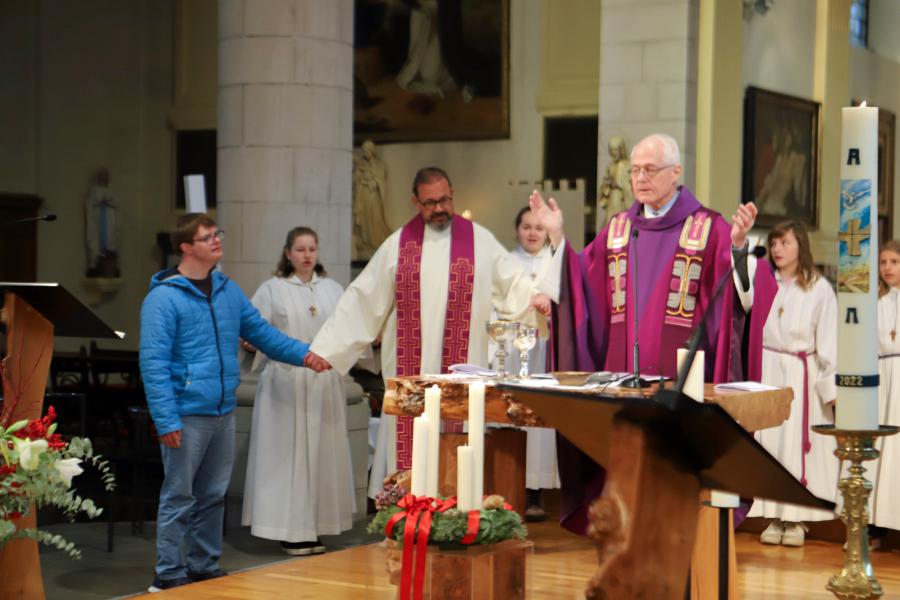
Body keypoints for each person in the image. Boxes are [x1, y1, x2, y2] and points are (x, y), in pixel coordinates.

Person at [529, 133, 776, 534]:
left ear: (676, 173)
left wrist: (737, 248)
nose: (640, 179)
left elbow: (741, 299)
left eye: (650, 170)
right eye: (635, 171)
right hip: (622, 383)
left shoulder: (709, 227)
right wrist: (558, 236)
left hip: (683, 389)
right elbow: (582, 284)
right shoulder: (619, 229)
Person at [306, 167, 552, 498]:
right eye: (430, 202)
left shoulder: (479, 241)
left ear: (453, 193)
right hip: (412, 373)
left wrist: (535, 298)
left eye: (445, 200)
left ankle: (458, 512)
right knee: (409, 443)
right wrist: (328, 348)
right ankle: (407, 518)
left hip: (461, 372)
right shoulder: (398, 245)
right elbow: (363, 297)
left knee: (460, 445)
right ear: (415, 201)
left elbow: (513, 283)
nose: (439, 208)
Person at [139, 214, 322, 593]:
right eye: (207, 237)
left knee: (212, 496)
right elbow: (153, 364)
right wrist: (166, 419)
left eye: (216, 234)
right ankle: (169, 573)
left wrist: (309, 355)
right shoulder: (163, 298)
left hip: (223, 409)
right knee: (179, 495)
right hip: (187, 412)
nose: (217, 241)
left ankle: (204, 564)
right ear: (186, 247)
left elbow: (264, 336)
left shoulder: (227, 290)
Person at [241, 227, 354, 555]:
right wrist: (250, 343)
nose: (307, 255)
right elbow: (254, 330)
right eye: (300, 249)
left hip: (322, 384)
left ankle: (315, 527)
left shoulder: (333, 289)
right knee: (288, 458)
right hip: (285, 384)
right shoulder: (272, 289)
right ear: (287, 252)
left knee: (321, 456)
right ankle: (288, 530)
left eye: (312, 249)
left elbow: (346, 330)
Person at [748, 221, 838, 547]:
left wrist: (831, 391)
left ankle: (797, 518)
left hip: (803, 373)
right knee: (771, 445)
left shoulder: (819, 288)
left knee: (799, 448)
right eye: (773, 244)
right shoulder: (764, 284)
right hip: (770, 368)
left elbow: (829, 341)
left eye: (784, 242)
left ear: (799, 244)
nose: (777, 249)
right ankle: (773, 515)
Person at [504, 206, 559, 521]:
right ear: (517, 230)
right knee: (516, 416)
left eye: (539, 227)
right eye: (526, 226)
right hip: (513, 349)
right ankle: (512, 485)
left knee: (540, 421)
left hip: (544, 351)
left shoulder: (556, 261)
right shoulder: (506, 264)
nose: (533, 232)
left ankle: (537, 491)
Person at [873, 240, 900, 533]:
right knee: (879, 450)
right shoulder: (875, 303)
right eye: (883, 262)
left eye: (894, 262)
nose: (887, 268)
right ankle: (875, 527)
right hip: (881, 377)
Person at [353, 141, 393, 260]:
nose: (365, 153)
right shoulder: (361, 165)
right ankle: (366, 244)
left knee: (375, 219)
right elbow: (356, 180)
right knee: (365, 220)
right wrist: (360, 176)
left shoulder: (379, 165)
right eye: (363, 151)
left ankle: (376, 243)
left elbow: (380, 180)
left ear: (372, 151)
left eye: (367, 150)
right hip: (363, 196)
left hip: (374, 197)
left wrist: (373, 182)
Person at [598, 135, 633, 229]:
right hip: (613, 199)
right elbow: (604, 186)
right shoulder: (610, 167)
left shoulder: (628, 166)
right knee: (609, 225)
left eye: (615, 150)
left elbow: (630, 187)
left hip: (623, 200)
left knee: (623, 225)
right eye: (611, 150)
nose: (613, 153)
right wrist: (607, 185)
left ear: (621, 151)